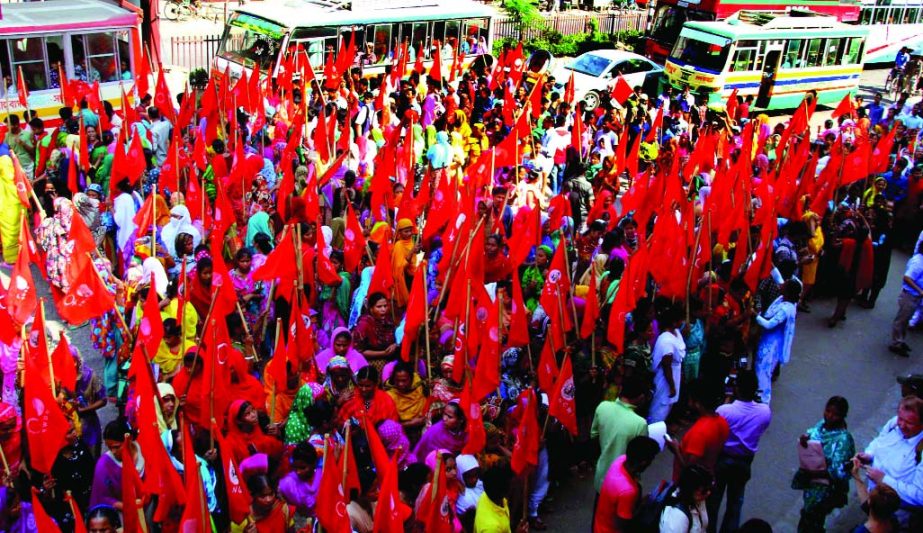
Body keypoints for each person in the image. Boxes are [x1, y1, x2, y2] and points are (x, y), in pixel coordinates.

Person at [708, 371, 772, 533]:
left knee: (713, 501)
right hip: (744, 461)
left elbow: (716, 428)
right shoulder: (764, 412)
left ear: (736, 389)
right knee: (735, 503)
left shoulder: (725, 410)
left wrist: (727, 399)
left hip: (723, 458)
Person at [855, 395, 923, 520]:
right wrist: (869, 455)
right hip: (873, 501)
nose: (902, 425)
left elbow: (920, 496)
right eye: (900, 419)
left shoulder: (921, 451)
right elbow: (879, 442)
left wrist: (884, 480)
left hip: (897, 515)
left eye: (909, 423)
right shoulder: (893, 424)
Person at [795, 396, 856, 532]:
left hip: (826, 490)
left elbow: (840, 472)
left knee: (813, 521)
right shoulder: (822, 424)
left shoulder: (844, 440)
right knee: (808, 516)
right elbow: (814, 434)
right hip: (812, 483)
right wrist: (806, 439)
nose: (829, 416)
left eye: (835, 414)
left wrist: (816, 472)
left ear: (842, 416)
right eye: (828, 411)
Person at [591, 377, 648, 493]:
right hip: (623, 484)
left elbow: (594, 435)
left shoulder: (603, 407)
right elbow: (640, 457)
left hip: (601, 476)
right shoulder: (640, 423)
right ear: (641, 397)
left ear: (621, 389)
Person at [593, 436, 660, 533]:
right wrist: (642, 505)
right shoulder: (628, 491)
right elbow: (621, 525)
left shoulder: (620, 460)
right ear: (643, 463)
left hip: (599, 524)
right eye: (651, 461)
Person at [755, 279, 800, 404]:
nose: (780, 285)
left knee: (764, 372)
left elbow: (769, 324)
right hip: (769, 341)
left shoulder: (785, 310)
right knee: (761, 370)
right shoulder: (787, 302)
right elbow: (778, 276)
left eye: (784, 286)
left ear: (788, 291)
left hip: (771, 345)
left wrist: (755, 315)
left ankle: (763, 401)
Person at [649, 304, 687, 423]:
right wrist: (671, 386)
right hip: (665, 379)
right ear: (674, 322)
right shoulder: (666, 339)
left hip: (675, 374)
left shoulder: (676, 332)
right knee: (660, 408)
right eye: (681, 320)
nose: (683, 322)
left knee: (668, 406)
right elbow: (666, 365)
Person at [888, 241, 923, 355]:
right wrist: (920, 291)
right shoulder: (918, 262)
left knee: (905, 320)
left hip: (914, 296)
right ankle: (895, 344)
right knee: (901, 320)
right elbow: (907, 277)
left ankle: (900, 340)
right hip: (910, 295)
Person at [660, 464, 714, 533]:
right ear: (691, 490)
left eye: (709, 489)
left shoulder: (698, 499)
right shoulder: (677, 517)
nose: (708, 493)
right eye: (704, 490)